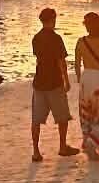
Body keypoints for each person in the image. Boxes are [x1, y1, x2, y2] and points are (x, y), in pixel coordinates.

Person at [30, 8, 78, 161]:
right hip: (54, 82)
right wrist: (66, 80)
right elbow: (61, 61)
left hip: (39, 82)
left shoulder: (36, 38)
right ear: (53, 19)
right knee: (62, 117)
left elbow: (38, 59)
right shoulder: (56, 38)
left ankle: (36, 151)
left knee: (36, 119)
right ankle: (62, 146)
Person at [74, 12, 99, 160]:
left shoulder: (81, 42)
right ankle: (95, 139)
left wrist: (80, 80)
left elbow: (77, 64)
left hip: (86, 77)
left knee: (87, 111)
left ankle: (87, 138)